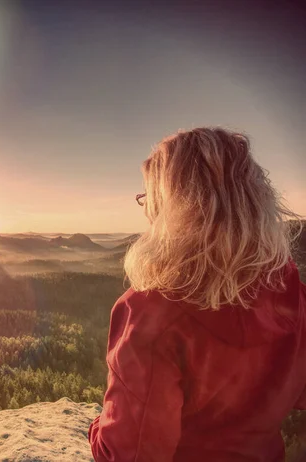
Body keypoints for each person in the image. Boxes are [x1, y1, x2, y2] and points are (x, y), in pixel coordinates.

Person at [87, 127, 306, 462]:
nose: (147, 212)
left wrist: (98, 426)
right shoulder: (293, 295)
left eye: (149, 199)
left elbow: (130, 454)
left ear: (172, 207)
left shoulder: (150, 314)